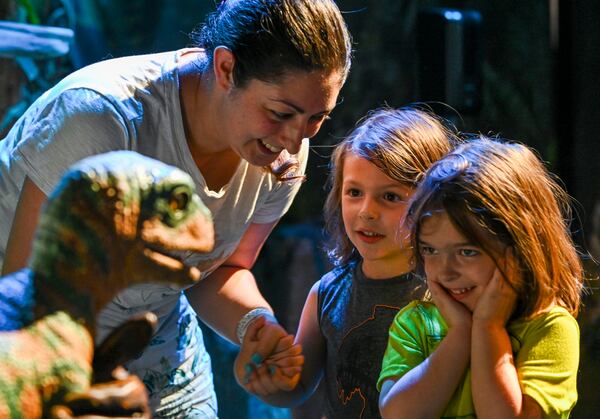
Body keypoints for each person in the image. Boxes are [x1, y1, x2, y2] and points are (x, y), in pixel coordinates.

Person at [0, 0, 352, 416]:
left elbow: (221, 267)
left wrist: (254, 323)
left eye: (317, 119)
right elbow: (26, 301)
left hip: (152, 342)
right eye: (281, 113)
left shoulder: (280, 153)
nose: (295, 141)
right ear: (225, 68)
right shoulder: (99, 119)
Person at [234, 107, 456, 417]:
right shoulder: (325, 293)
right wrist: (269, 382)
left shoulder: (450, 292)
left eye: (390, 196)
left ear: (432, 201)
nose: (366, 211)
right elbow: (297, 387)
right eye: (354, 192)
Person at [378, 137, 583, 418]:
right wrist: (461, 334)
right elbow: (398, 414)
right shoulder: (415, 323)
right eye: (430, 249)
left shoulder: (549, 328)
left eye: (467, 251)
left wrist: (488, 328)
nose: (446, 270)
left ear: (521, 250)